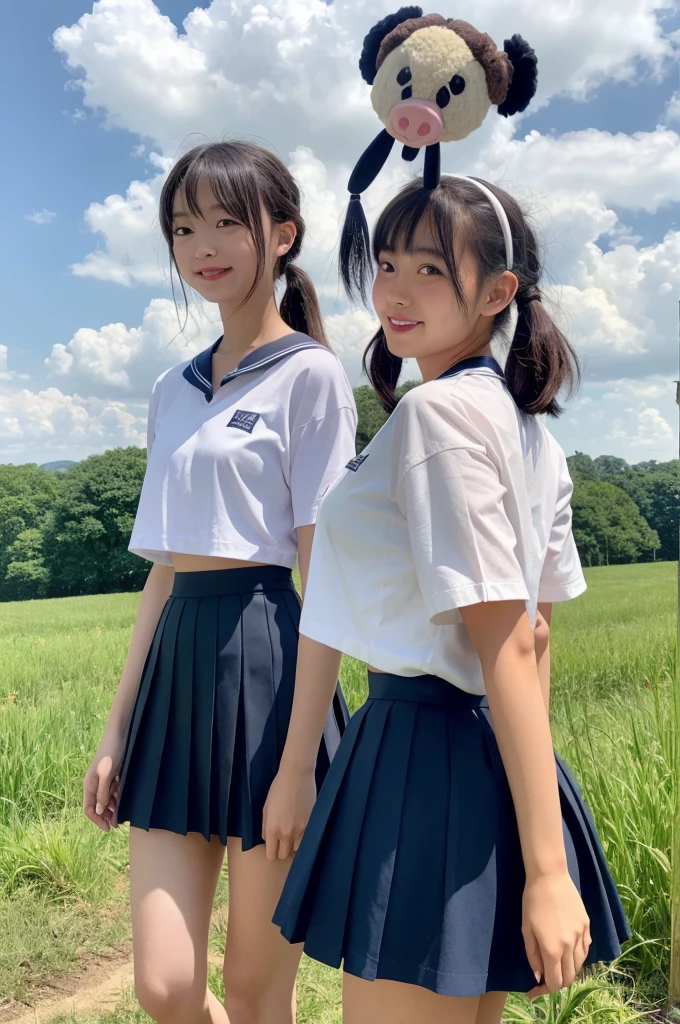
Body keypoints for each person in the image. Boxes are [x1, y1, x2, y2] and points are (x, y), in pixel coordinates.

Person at [265, 174, 630, 1024]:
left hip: (416, 761)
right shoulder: (526, 425)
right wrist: (529, 828)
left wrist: (545, 871)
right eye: (387, 263)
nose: (394, 290)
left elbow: (511, 637)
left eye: (430, 270)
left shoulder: (438, 418)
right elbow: (537, 638)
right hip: (485, 763)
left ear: (498, 292)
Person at [82, 140, 356, 1024]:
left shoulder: (311, 375)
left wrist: (296, 768)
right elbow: (162, 571)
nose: (202, 243)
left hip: (270, 672)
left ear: (282, 233)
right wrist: (117, 727)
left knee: (252, 988)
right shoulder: (172, 387)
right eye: (182, 226)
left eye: (226, 222)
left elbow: (331, 579)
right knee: (166, 989)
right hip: (176, 673)